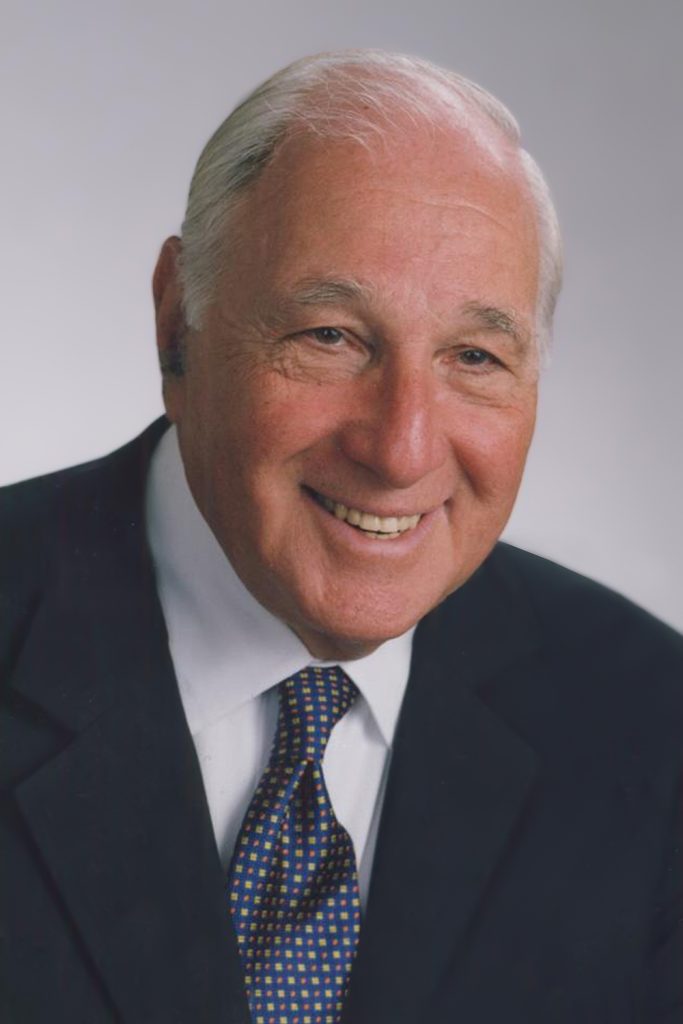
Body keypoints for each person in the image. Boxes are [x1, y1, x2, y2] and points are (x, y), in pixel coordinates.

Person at [1, 50, 681, 1024]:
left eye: (474, 356)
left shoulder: (650, 727)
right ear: (178, 323)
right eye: (330, 337)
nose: (401, 450)